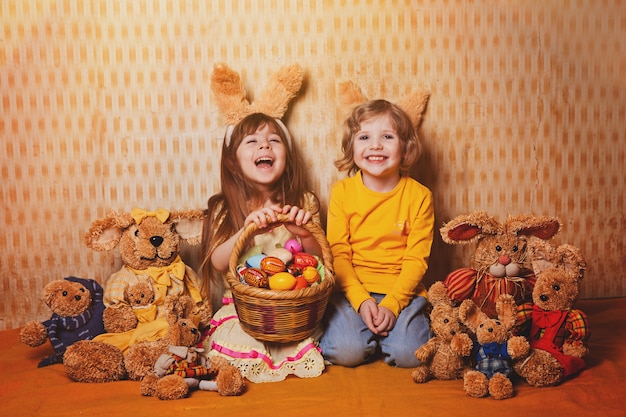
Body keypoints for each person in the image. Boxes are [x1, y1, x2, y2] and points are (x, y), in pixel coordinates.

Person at [199, 112, 326, 383]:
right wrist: (246, 232)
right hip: (244, 311)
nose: (264, 146)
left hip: (292, 312)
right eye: (252, 141)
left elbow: (320, 263)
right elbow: (219, 262)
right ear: (233, 162)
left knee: (305, 343)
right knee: (243, 346)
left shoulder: (303, 203)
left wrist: (305, 234)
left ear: (287, 158)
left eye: (274, 140)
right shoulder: (224, 207)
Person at [319, 99, 434, 368]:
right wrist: (361, 302)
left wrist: (392, 305)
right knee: (346, 353)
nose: (375, 145)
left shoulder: (419, 196)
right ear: (352, 147)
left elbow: (417, 260)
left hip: (403, 291)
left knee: (411, 355)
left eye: (387, 136)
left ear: (405, 147)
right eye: (364, 137)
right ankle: (364, 333)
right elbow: (338, 254)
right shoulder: (342, 193)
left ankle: (390, 332)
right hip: (351, 291)